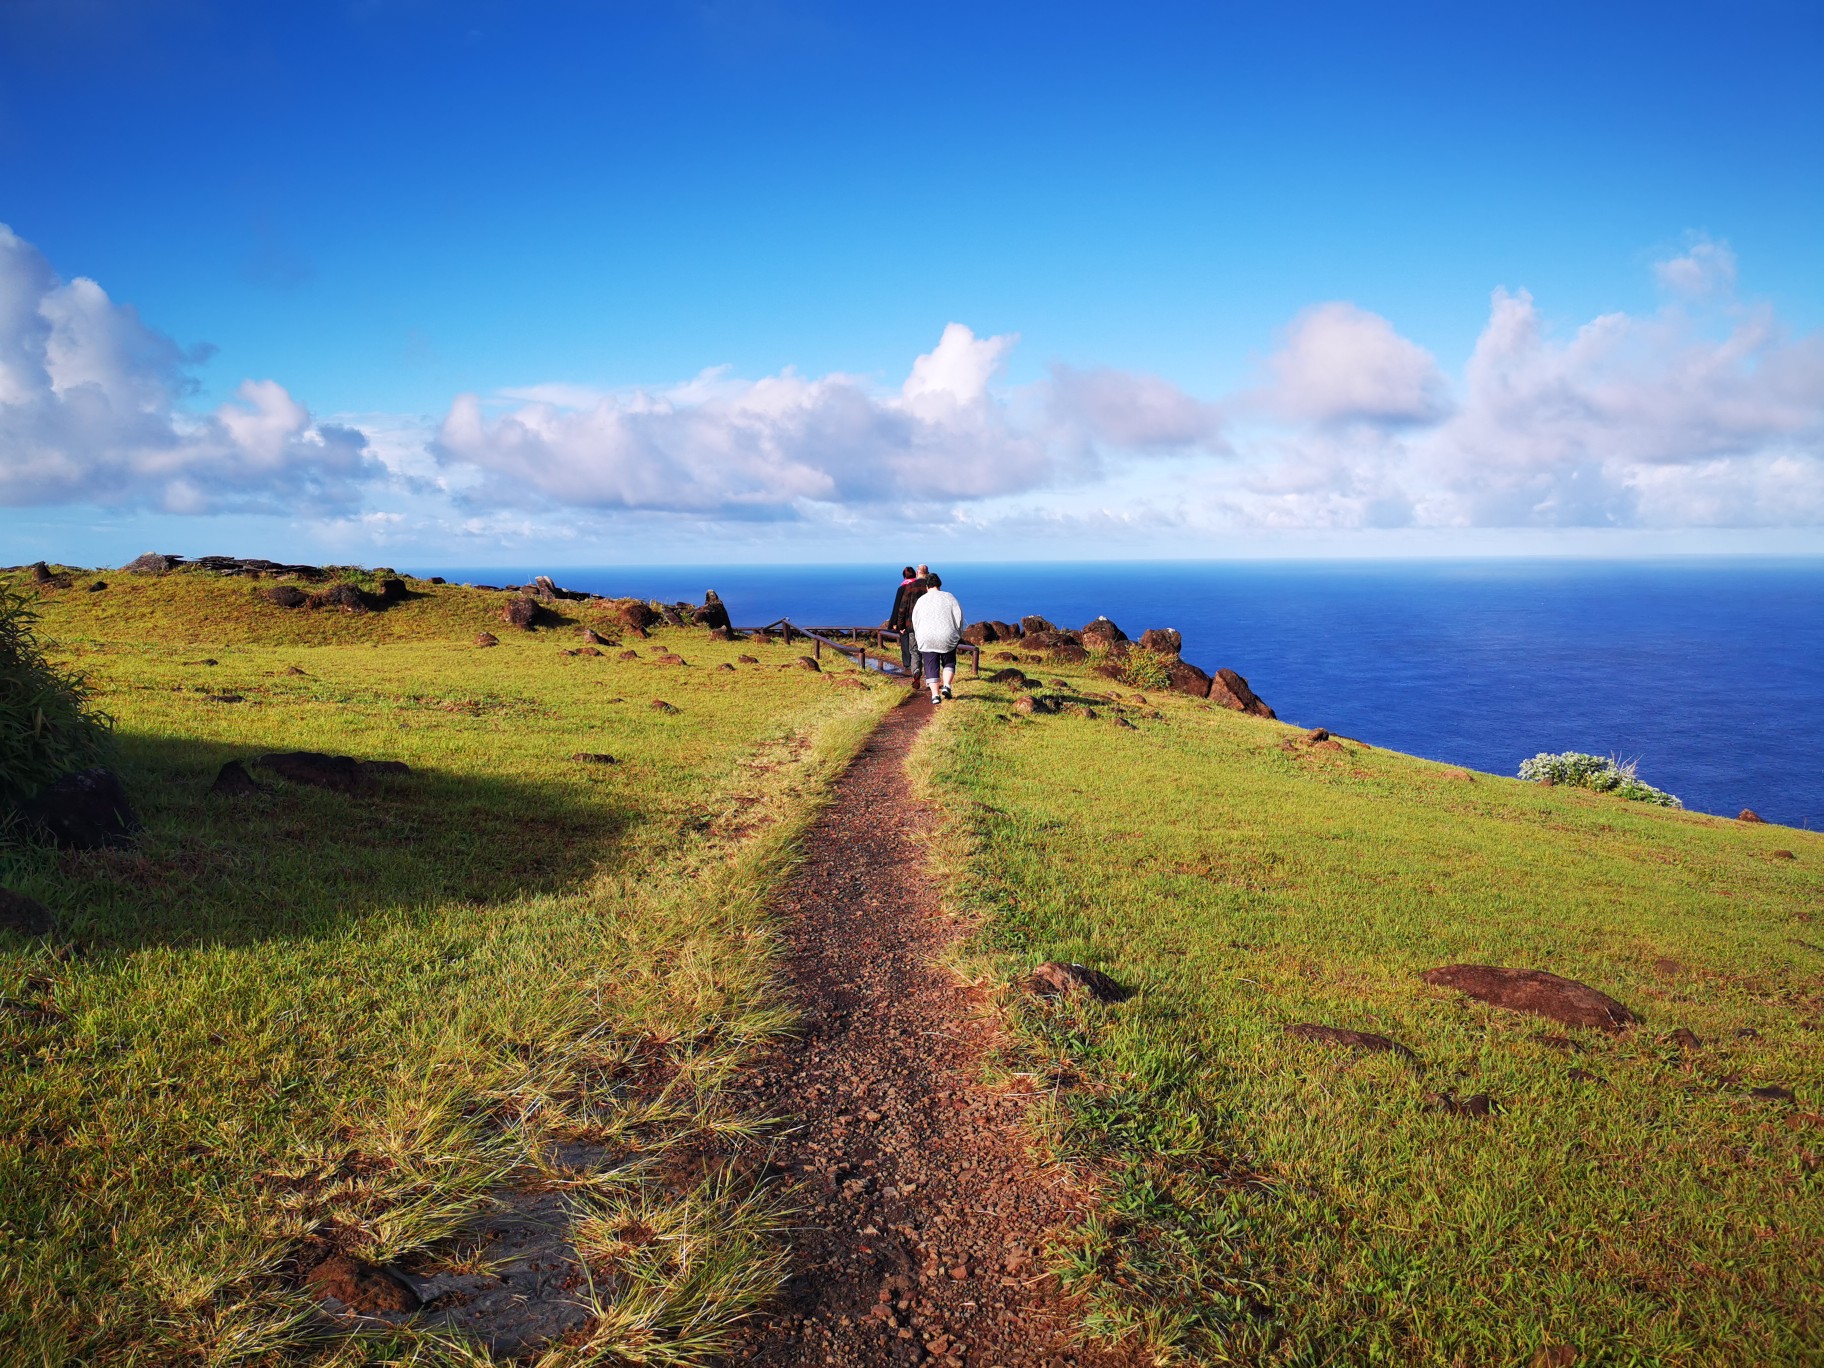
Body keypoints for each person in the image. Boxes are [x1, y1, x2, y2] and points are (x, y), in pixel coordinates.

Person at [910, 571, 963, 704]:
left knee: (930, 664)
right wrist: (958, 633)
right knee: (949, 661)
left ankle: (935, 695)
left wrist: (919, 635)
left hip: (926, 636)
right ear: (939, 584)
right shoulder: (949, 597)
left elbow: (915, 620)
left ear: (927, 586)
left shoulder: (921, 600)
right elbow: (959, 617)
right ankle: (947, 686)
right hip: (947, 635)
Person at [886, 564, 929, 677]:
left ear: (904, 576)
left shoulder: (904, 588)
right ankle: (925, 668)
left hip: (908, 620)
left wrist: (895, 623)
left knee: (908, 644)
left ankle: (909, 665)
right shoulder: (927, 586)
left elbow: (898, 606)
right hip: (925, 621)